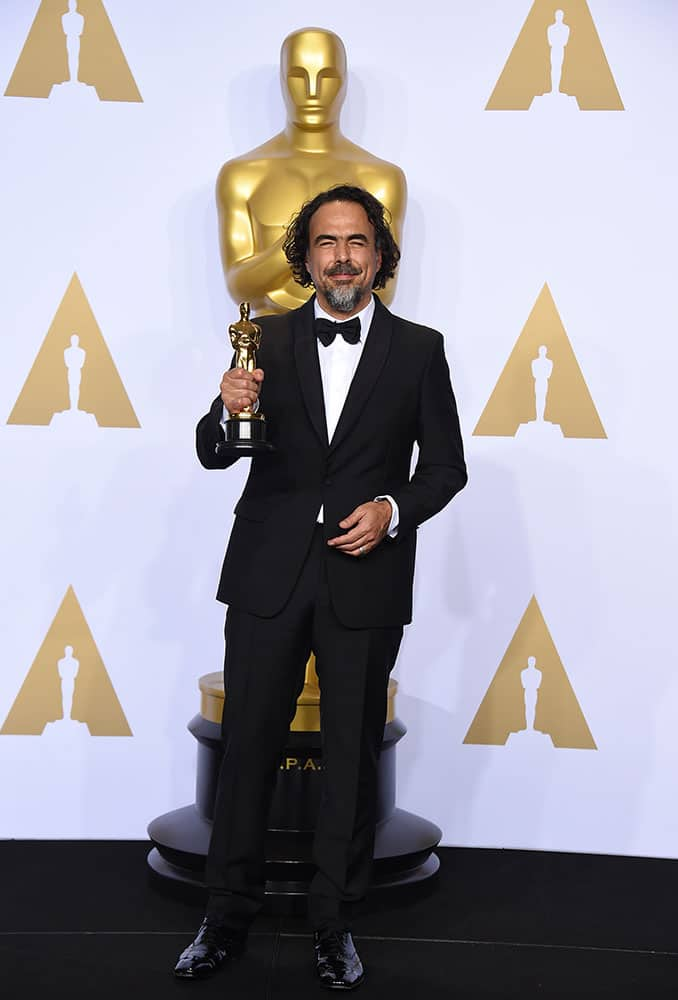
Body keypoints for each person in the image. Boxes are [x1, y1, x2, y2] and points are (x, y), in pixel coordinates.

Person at [174, 184, 467, 989]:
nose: (343, 256)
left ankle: (336, 924)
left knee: (350, 757)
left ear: (380, 255)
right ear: (306, 258)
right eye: (328, 242)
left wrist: (391, 509)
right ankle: (223, 917)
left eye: (358, 242)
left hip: (364, 579)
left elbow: (445, 470)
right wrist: (220, 409)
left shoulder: (419, 349)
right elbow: (215, 449)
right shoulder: (260, 338)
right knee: (247, 750)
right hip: (268, 575)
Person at [216, 27, 406, 315]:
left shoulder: (381, 179)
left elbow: (384, 287)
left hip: (357, 349)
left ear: (343, 83)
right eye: (298, 76)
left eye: (327, 76)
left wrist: (284, 261)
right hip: (269, 347)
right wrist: (305, 237)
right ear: (282, 80)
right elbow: (240, 286)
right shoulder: (242, 176)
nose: (313, 91)